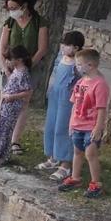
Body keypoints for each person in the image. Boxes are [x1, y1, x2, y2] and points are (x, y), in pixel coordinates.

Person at [0, 0, 48, 155]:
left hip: (30, 68)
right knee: (5, 100)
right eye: (9, 8)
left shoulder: (39, 22)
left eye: (14, 7)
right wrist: (6, 67)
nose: (12, 11)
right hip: (10, 68)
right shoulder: (10, 22)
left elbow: (41, 49)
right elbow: (3, 46)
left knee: (23, 104)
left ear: (24, 6)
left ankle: (15, 140)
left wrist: (25, 67)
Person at [57, 49, 109, 198]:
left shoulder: (100, 85)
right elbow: (75, 104)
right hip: (78, 125)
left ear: (90, 65)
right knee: (77, 152)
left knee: (90, 153)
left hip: (91, 126)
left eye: (79, 64)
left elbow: (101, 109)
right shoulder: (80, 82)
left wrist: (98, 128)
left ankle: (96, 184)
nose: (77, 67)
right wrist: (71, 124)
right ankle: (75, 177)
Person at [38, 31, 86, 181]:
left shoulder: (78, 64)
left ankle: (65, 164)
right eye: (63, 44)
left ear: (76, 48)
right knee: (51, 127)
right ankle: (53, 157)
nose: (64, 47)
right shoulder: (61, 57)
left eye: (67, 45)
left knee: (63, 129)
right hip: (54, 96)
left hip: (68, 100)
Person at [0, 45, 33, 166]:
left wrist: (12, 97)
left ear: (19, 59)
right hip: (5, 105)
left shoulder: (23, 74)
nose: (7, 62)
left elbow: (28, 91)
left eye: (9, 59)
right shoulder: (16, 71)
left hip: (11, 107)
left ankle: (1, 156)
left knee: (5, 130)